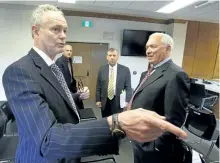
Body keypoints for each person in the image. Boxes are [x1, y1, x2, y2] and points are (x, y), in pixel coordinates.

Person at [2, 4, 188, 163]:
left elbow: (53, 101)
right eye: (55, 29)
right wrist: (116, 124)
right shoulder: (20, 71)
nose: (63, 36)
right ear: (36, 31)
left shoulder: (52, 68)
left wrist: (74, 97)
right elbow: (48, 141)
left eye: (65, 30)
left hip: (68, 154)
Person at [128, 33, 190, 163]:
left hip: (153, 146)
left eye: (153, 46)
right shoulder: (147, 73)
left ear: (168, 48)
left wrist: (155, 146)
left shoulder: (176, 75)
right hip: (139, 139)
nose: (148, 51)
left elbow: (174, 119)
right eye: (147, 47)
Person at [96, 48, 132, 117]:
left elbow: (128, 87)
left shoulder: (125, 70)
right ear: (107, 57)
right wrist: (98, 100)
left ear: (117, 57)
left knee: (117, 120)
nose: (112, 57)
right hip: (105, 100)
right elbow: (98, 86)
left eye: (114, 55)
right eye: (110, 55)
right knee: (105, 120)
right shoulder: (102, 69)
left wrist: (127, 101)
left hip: (118, 100)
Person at [56, 44, 85, 109]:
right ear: (63, 51)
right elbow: (59, 79)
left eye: (70, 51)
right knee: (72, 106)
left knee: (80, 102)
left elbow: (70, 74)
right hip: (65, 88)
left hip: (72, 86)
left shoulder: (70, 60)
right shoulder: (59, 62)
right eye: (67, 50)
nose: (69, 52)